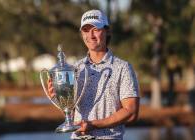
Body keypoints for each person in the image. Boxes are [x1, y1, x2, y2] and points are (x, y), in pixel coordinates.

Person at [48, 9, 140, 140]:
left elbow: (131, 112)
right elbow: (73, 116)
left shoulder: (123, 68)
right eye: (85, 30)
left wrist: (93, 125)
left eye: (96, 29)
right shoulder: (75, 69)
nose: (90, 35)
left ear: (107, 31)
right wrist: (60, 99)